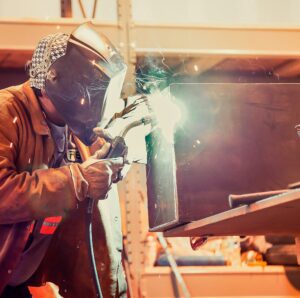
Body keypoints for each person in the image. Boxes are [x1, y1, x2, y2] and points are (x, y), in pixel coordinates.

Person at [0, 22, 128, 297]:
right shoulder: (5, 113)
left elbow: (92, 173)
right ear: (58, 81)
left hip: (19, 281)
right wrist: (76, 180)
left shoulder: (74, 127)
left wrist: (112, 165)